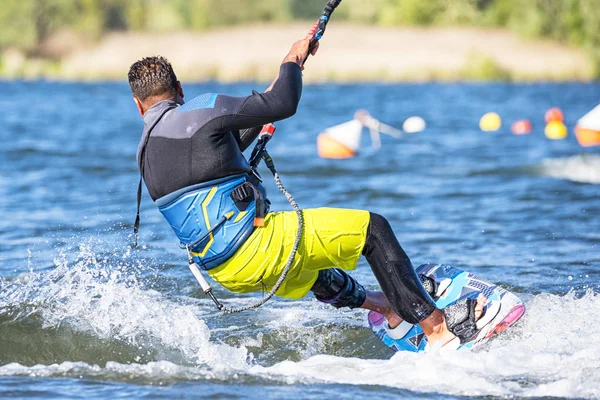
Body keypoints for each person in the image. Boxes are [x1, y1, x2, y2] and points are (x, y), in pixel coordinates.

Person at [128, 30, 490, 350]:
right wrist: (292, 59)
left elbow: (219, 150)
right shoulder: (200, 109)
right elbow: (282, 104)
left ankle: (388, 309)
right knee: (373, 230)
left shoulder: (145, 153)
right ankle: (437, 329)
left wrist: (273, 93)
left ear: (138, 104)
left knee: (313, 268)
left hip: (224, 273)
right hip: (257, 248)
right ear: (180, 90)